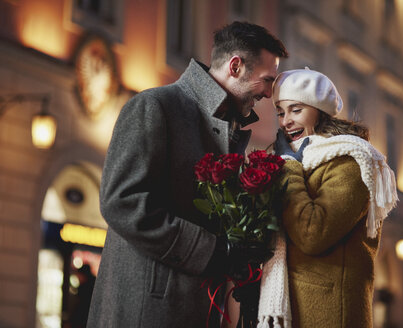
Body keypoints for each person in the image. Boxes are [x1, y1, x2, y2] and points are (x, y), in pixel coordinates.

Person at [87, 21, 288, 328]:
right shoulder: (155, 106)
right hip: (148, 311)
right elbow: (122, 202)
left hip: (193, 309)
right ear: (235, 66)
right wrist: (216, 250)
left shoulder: (227, 127)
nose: (269, 93)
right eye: (266, 80)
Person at [257, 68, 398, 328]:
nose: (285, 121)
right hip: (294, 308)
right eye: (280, 112)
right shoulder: (296, 160)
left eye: (296, 110)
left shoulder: (350, 161)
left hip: (330, 312)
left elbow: (313, 233)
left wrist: (288, 166)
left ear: (319, 111)